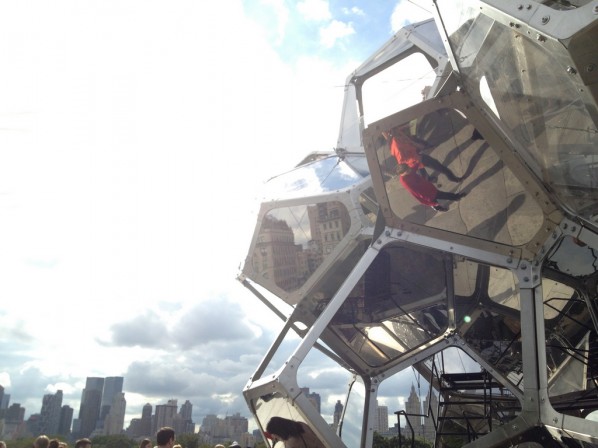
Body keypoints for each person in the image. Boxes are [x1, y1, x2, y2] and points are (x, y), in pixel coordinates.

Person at [384, 126, 463, 183]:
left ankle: (429, 180)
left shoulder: (396, 134)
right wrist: (417, 157)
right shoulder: (396, 145)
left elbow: (408, 140)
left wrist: (415, 144)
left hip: (415, 156)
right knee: (438, 166)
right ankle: (453, 179)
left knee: (423, 173)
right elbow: (402, 161)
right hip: (416, 160)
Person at [396, 163, 467, 212]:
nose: (410, 170)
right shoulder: (405, 182)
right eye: (407, 170)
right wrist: (429, 202)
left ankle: (455, 198)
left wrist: (417, 163)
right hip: (428, 195)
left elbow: (413, 169)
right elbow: (417, 194)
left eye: (408, 168)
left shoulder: (409, 171)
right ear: (402, 174)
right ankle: (451, 200)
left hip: (430, 188)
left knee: (442, 196)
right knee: (437, 201)